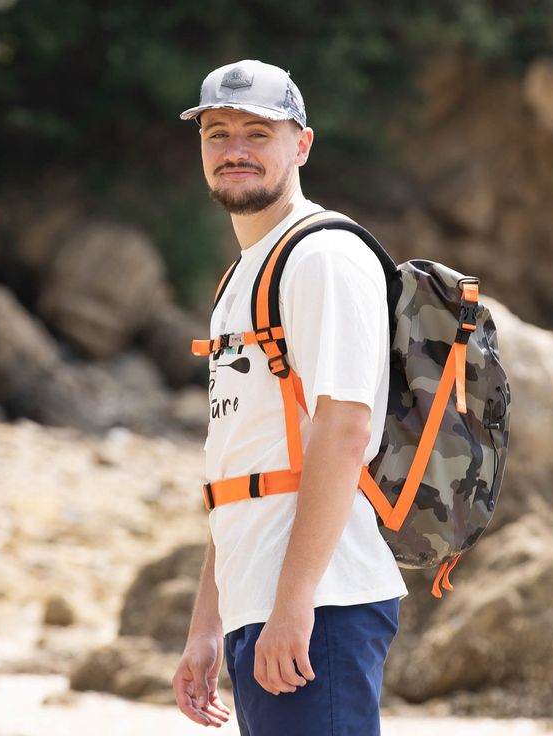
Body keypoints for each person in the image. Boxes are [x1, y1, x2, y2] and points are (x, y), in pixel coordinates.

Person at [172, 59, 408, 736]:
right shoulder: (241, 278)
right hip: (265, 606)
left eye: (257, 132)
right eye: (217, 134)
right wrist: (208, 625)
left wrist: (294, 603)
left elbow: (343, 431)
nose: (234, 150)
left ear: (301, 144)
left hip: (318, 607)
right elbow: (243, 468)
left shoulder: (322, 258)